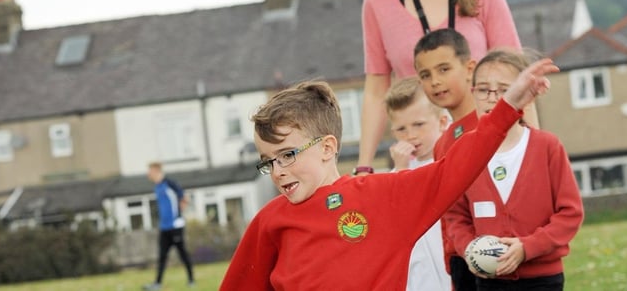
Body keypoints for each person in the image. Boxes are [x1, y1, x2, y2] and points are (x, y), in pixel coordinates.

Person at [220, 56, 558, 291]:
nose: (277, 171)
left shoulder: (384, 197)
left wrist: (508, 104)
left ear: (326, 148)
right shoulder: (269, 222)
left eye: (287, 155)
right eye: (268, 162)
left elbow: (455, 168)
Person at [357, 0, 521, 176]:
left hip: (488, 142)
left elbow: (516, 77)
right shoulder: (377, 4)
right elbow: (375, 92)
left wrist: (530, 145)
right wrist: (363, 166)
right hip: (425, 156)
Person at [445, 49, 584, 290]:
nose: (492, 97)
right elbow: (455, 217)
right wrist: (470, 248)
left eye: (503, 90)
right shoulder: (463, 152)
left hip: (543, 280)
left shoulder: (547, 147)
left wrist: (528, 247)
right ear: (473, 92)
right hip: (489, 280)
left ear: (525, 95)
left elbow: (570, 213)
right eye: (483, 89)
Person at [413, 28, 482, 290]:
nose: (435, 81)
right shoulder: (442, 143)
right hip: (460, 260)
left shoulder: (492, 126)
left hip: (500, 253)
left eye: (444, 69)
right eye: (425, 75)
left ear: (469, 68)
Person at [385, 77, 451, 290]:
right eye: (401, 129)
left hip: (453, 272)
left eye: (419, 125)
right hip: (420, 280)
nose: (411, 135)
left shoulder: (452, 161)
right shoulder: (396, 175)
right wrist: (401, 170)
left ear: (441, 122)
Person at [143, 162, 195, 290]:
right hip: (164, 227)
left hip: (175, 227)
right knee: (161, 256)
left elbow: (184, 198)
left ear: (156, 170)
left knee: (182, 254)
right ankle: (157, 283)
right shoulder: (157, 187)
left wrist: (178, 214)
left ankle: (191, 280)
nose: (148, 174)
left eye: (149, 171)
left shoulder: (169, 184)